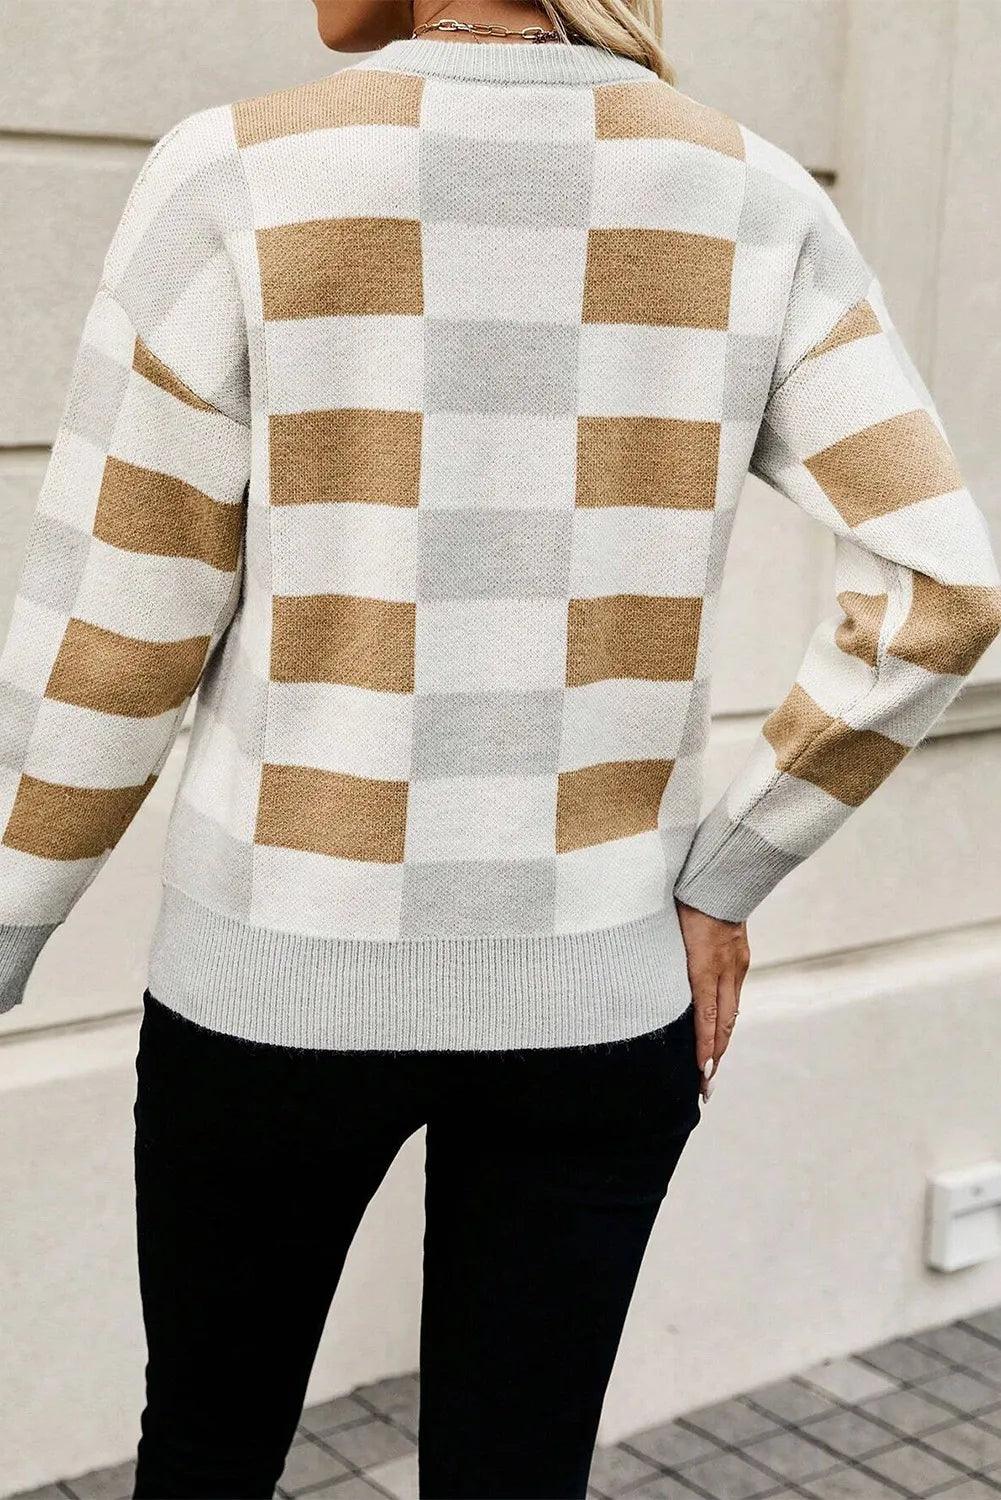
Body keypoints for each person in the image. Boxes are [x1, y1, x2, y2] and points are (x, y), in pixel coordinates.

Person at [2, 0, 999, 1495]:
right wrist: (728, 872)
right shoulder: (756, 198)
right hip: (600, 993)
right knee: (517, 1475)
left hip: (272, 987)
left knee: (207, 1451)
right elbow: (943, 591)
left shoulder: (239, 174)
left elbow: (114, 636)